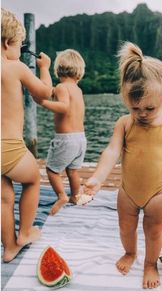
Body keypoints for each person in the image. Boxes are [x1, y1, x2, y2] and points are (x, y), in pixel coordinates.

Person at [84, 42, 162, 289]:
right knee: (126, 228)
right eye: (135, 107)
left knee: (153, 231)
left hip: (158, 192)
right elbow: (112, 151)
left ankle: (150, 263)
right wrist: (97, 178)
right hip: (127, 191)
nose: (142, 114)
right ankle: (130, 252)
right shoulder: (125, 123)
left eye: (150, 108)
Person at [1, 8, 53, 263]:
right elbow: (44, 93)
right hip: (9, 147)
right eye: (20, 46)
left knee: (4, 197)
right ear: (7, 43)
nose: (20, 51)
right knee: (32, 180)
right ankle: (24, 233)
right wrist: (44, 68)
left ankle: (9, 247)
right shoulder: (15, 67)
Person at [40, 49, 87, 215]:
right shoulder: (77, 90)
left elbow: (64, 107)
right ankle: (75, 195)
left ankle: (61, 195)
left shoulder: (61, 87)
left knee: (52, 170)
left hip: (65, 139)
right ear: (79, 73)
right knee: (72, 170)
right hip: (81, 139)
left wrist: (45, 102)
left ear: (58, 70)